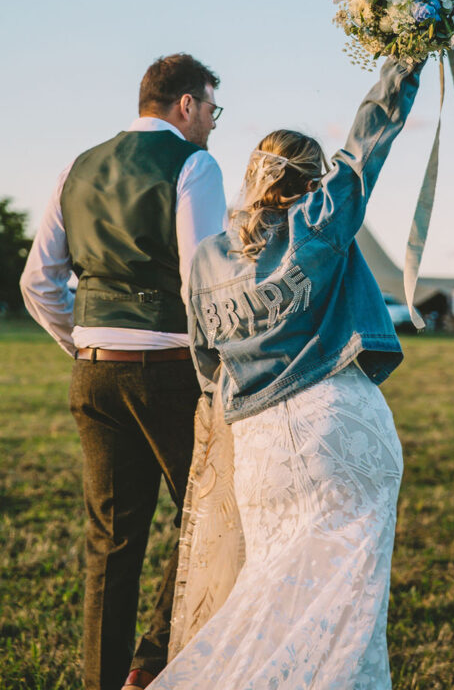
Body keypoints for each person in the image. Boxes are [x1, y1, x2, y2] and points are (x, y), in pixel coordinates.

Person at [151, 55, 422, 690]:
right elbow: (368, 144)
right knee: (344, 614)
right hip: (340, 428)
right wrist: (404, 61)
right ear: (312, 181)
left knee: (267, 605)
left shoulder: (205, 259)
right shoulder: (319, 223)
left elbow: (205, 365)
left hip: (259, 451)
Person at [20, 54, 228, 690]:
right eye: (213, 109)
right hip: (169, 370)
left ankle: (105, 683)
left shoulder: (75, 167)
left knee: (110, 543)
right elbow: (203, 283)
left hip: (93, 373)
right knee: (208, 513)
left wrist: (86, 345)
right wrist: (212, 372)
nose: (215, 124)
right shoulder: (194, 164)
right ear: (185, 105)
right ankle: (152, 661)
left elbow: (38, 281)